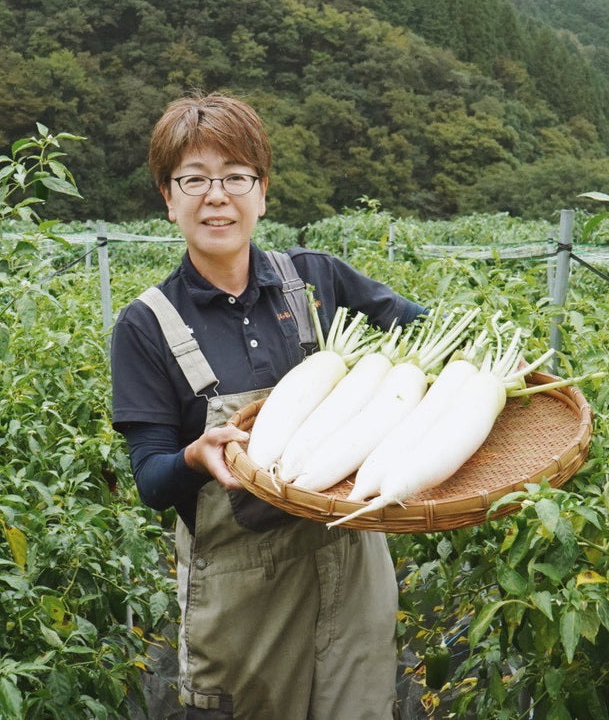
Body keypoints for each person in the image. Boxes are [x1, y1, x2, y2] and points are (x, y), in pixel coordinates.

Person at [110, 92, 426, 719]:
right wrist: (196, 457)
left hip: (351, 562)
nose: (216, 195)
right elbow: (149, 475)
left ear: (262, 191)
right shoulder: (146, 325)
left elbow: (422, 335)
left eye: (235, 176)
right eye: (193, 179)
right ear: (168, 199)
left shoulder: (317, 280)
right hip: (241, 588)